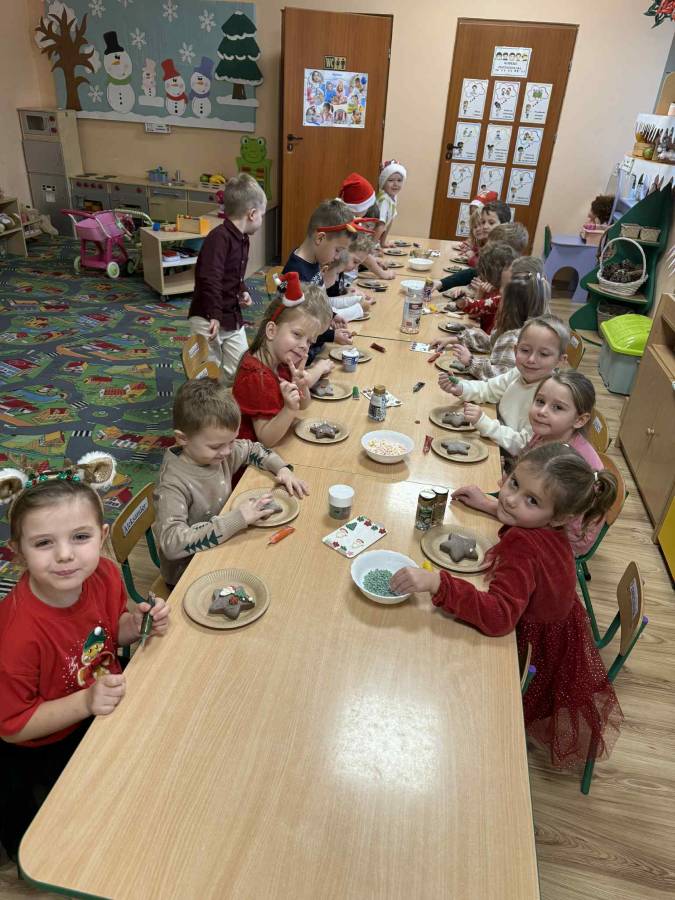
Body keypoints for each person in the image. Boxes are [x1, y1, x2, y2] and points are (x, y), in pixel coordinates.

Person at [391, 442, 622, 770]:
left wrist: (439, 584)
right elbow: (522, 517)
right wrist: (489, 505)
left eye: (532, 500)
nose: (511, 499)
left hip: (532, 648)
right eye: (514, 483)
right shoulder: (547, 527)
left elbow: (500, 617)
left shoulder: (523, 546)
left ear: (561, 517)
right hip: (558, 627)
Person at [0, 466, 170, 860]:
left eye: (80, 537)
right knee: (46, 841)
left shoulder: (105, 574)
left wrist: (137, 624)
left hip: (94, 705)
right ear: (18, 552)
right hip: (36, 743)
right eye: (44, 542)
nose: (65, 554)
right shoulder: (16, 635)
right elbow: (13, 726)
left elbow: (111, 631)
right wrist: (86, 702)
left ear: (102, 536)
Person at [153, 377, 308, 588]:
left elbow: (253, 449)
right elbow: (172, 543)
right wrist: (237, 519)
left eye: (232, 441)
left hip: (223, 545)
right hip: (188, 574)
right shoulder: (172, 484)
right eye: (216, 446)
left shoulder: (218, 450)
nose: (227, 451)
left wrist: (282, 469)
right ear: (182, 439)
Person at [453, 372, 607, 556]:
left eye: (557, 407)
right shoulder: (542, 435)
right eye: (540, 401)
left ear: (579, 420)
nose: (542, 411)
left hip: (554, 547)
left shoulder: (578, 466)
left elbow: (566, 532)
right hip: (528, 516)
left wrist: (487, 505)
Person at [439, 314, 569, 456]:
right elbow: (488, 389)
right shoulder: (517, 373)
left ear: (560, 360)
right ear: (515, 350)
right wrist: (461, 388)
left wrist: (484, 422)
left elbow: (523, 445)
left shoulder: (550, 399)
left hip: (511, 458)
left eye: (543, 354)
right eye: (525, 350)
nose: (531, 359)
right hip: (495, 440)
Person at [187, 173, 266, 385]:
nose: (261, 220)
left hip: (230, 316)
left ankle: (225, 397)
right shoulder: (219, 237)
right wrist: (214, 314)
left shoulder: (243, 239)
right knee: (206, 373)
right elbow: (209, 278)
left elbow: (233, 274)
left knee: (241, 367)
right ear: (252, 214)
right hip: (207, 317)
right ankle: (203, 400)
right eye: (262, 215)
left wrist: (243, 290)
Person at [233, 279, 333, 446]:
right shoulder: (257, 377)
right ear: (272, 330)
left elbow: (304, 405)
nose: (304, 346)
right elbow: (266, 439)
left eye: (309, 341)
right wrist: (289, 409)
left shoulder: (282, 361)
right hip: (250, 455)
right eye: (297, 334)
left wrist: (301, 385)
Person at [432, 257, 549, 379]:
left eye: (502, 293)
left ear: (513, 305)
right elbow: (491, 341)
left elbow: (500, 378)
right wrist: (455, 339)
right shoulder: (514, 326)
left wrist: (472, 362)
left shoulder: (515, 339)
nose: (498, 297)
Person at [282, 198, 355, 360]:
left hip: (315, 346)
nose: (337, 257)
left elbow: (316, 305)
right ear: (320, 238)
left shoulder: (314, 261)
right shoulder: (297, 274)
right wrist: (332, 336)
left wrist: (332, 315)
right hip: (299, 357)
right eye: (337, 250)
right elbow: (299, 326)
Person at [433, 198, 512, 295]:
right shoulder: (491, 246)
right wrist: (441, 283)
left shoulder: (506, 252)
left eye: (491, 223)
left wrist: (481, 293)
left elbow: (503, 292)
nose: (484, 227)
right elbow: (476, 272)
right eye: (483, 222)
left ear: (505, 225)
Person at [453, 241, 518, 335]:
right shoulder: (492, 288)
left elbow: (473, 312)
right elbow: (474, 312)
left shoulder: (501, 296)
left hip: (486, 338)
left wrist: (464, 301)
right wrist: (479, 293)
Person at [338, 174, 394, 280]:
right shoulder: (347, 222)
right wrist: (382, 274)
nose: (368, 209)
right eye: (368, 206)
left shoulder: (346, 217)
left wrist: (374, 260)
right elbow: (362, 255)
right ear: (359, 206)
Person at [324, 233, 378, 322]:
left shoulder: (339, 269)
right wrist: (356, 305)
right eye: (355, 262)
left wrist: (349, 292)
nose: (356, 268)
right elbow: (324, 307)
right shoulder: (333, 269)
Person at [376, 159, 407, 247]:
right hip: (368, 241)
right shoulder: (384, 200)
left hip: (375, 240)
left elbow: (390, 221)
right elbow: (380, 226)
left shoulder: (392, 197)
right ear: (383, 182)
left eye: (399, 180)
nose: (395, 184)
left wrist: (383, 243)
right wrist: (369, 249)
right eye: (390, 180)